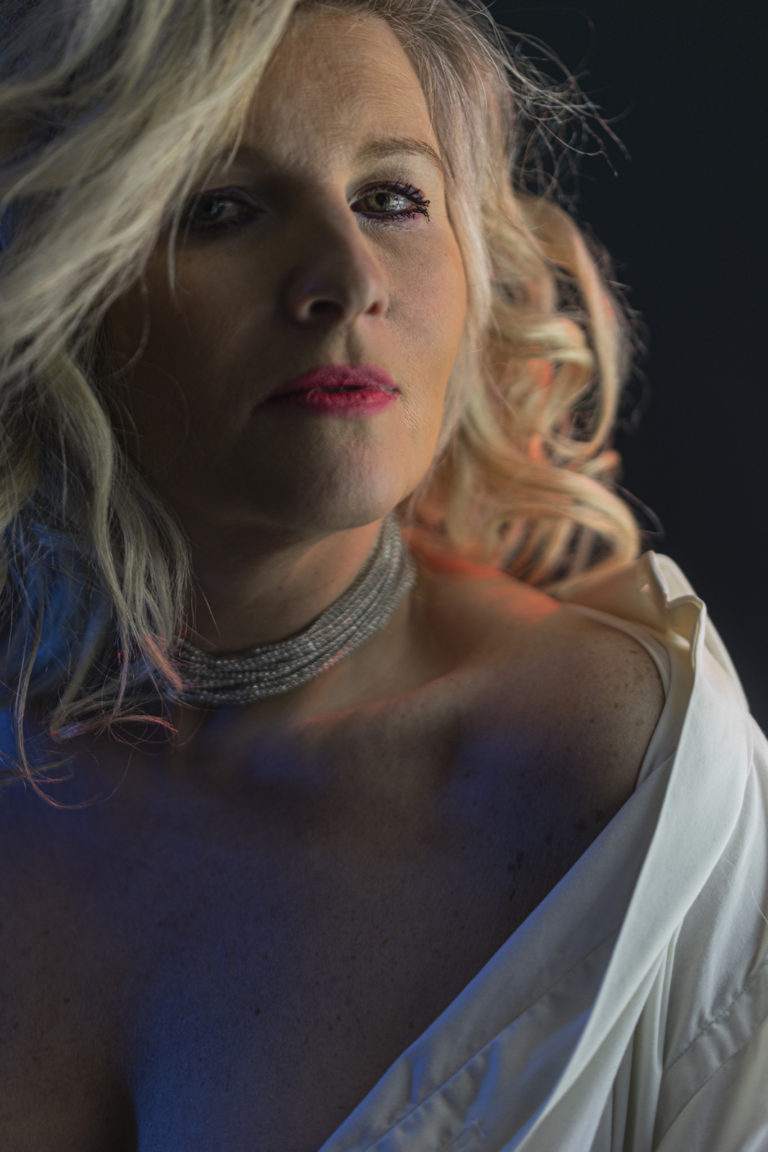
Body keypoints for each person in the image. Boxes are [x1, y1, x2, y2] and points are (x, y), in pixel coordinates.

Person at [0, 0, 766, 1149]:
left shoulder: (625, 775)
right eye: (221, 208)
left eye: (392, 199)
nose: (348, 275)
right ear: (55, 273)